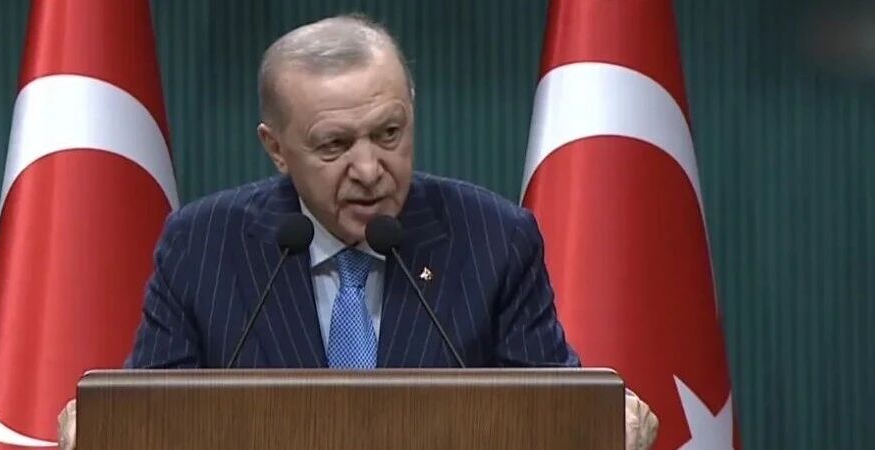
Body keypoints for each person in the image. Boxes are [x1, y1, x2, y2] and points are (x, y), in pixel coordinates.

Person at [58, 14, 658, 449]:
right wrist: (109, 427)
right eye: (335, 145)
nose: (370, 169)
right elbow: (153, 417)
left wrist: (605, 424)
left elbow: (555, 413)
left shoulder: (495, 239)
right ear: (276, 149)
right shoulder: (201, 247)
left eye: (389, 134)